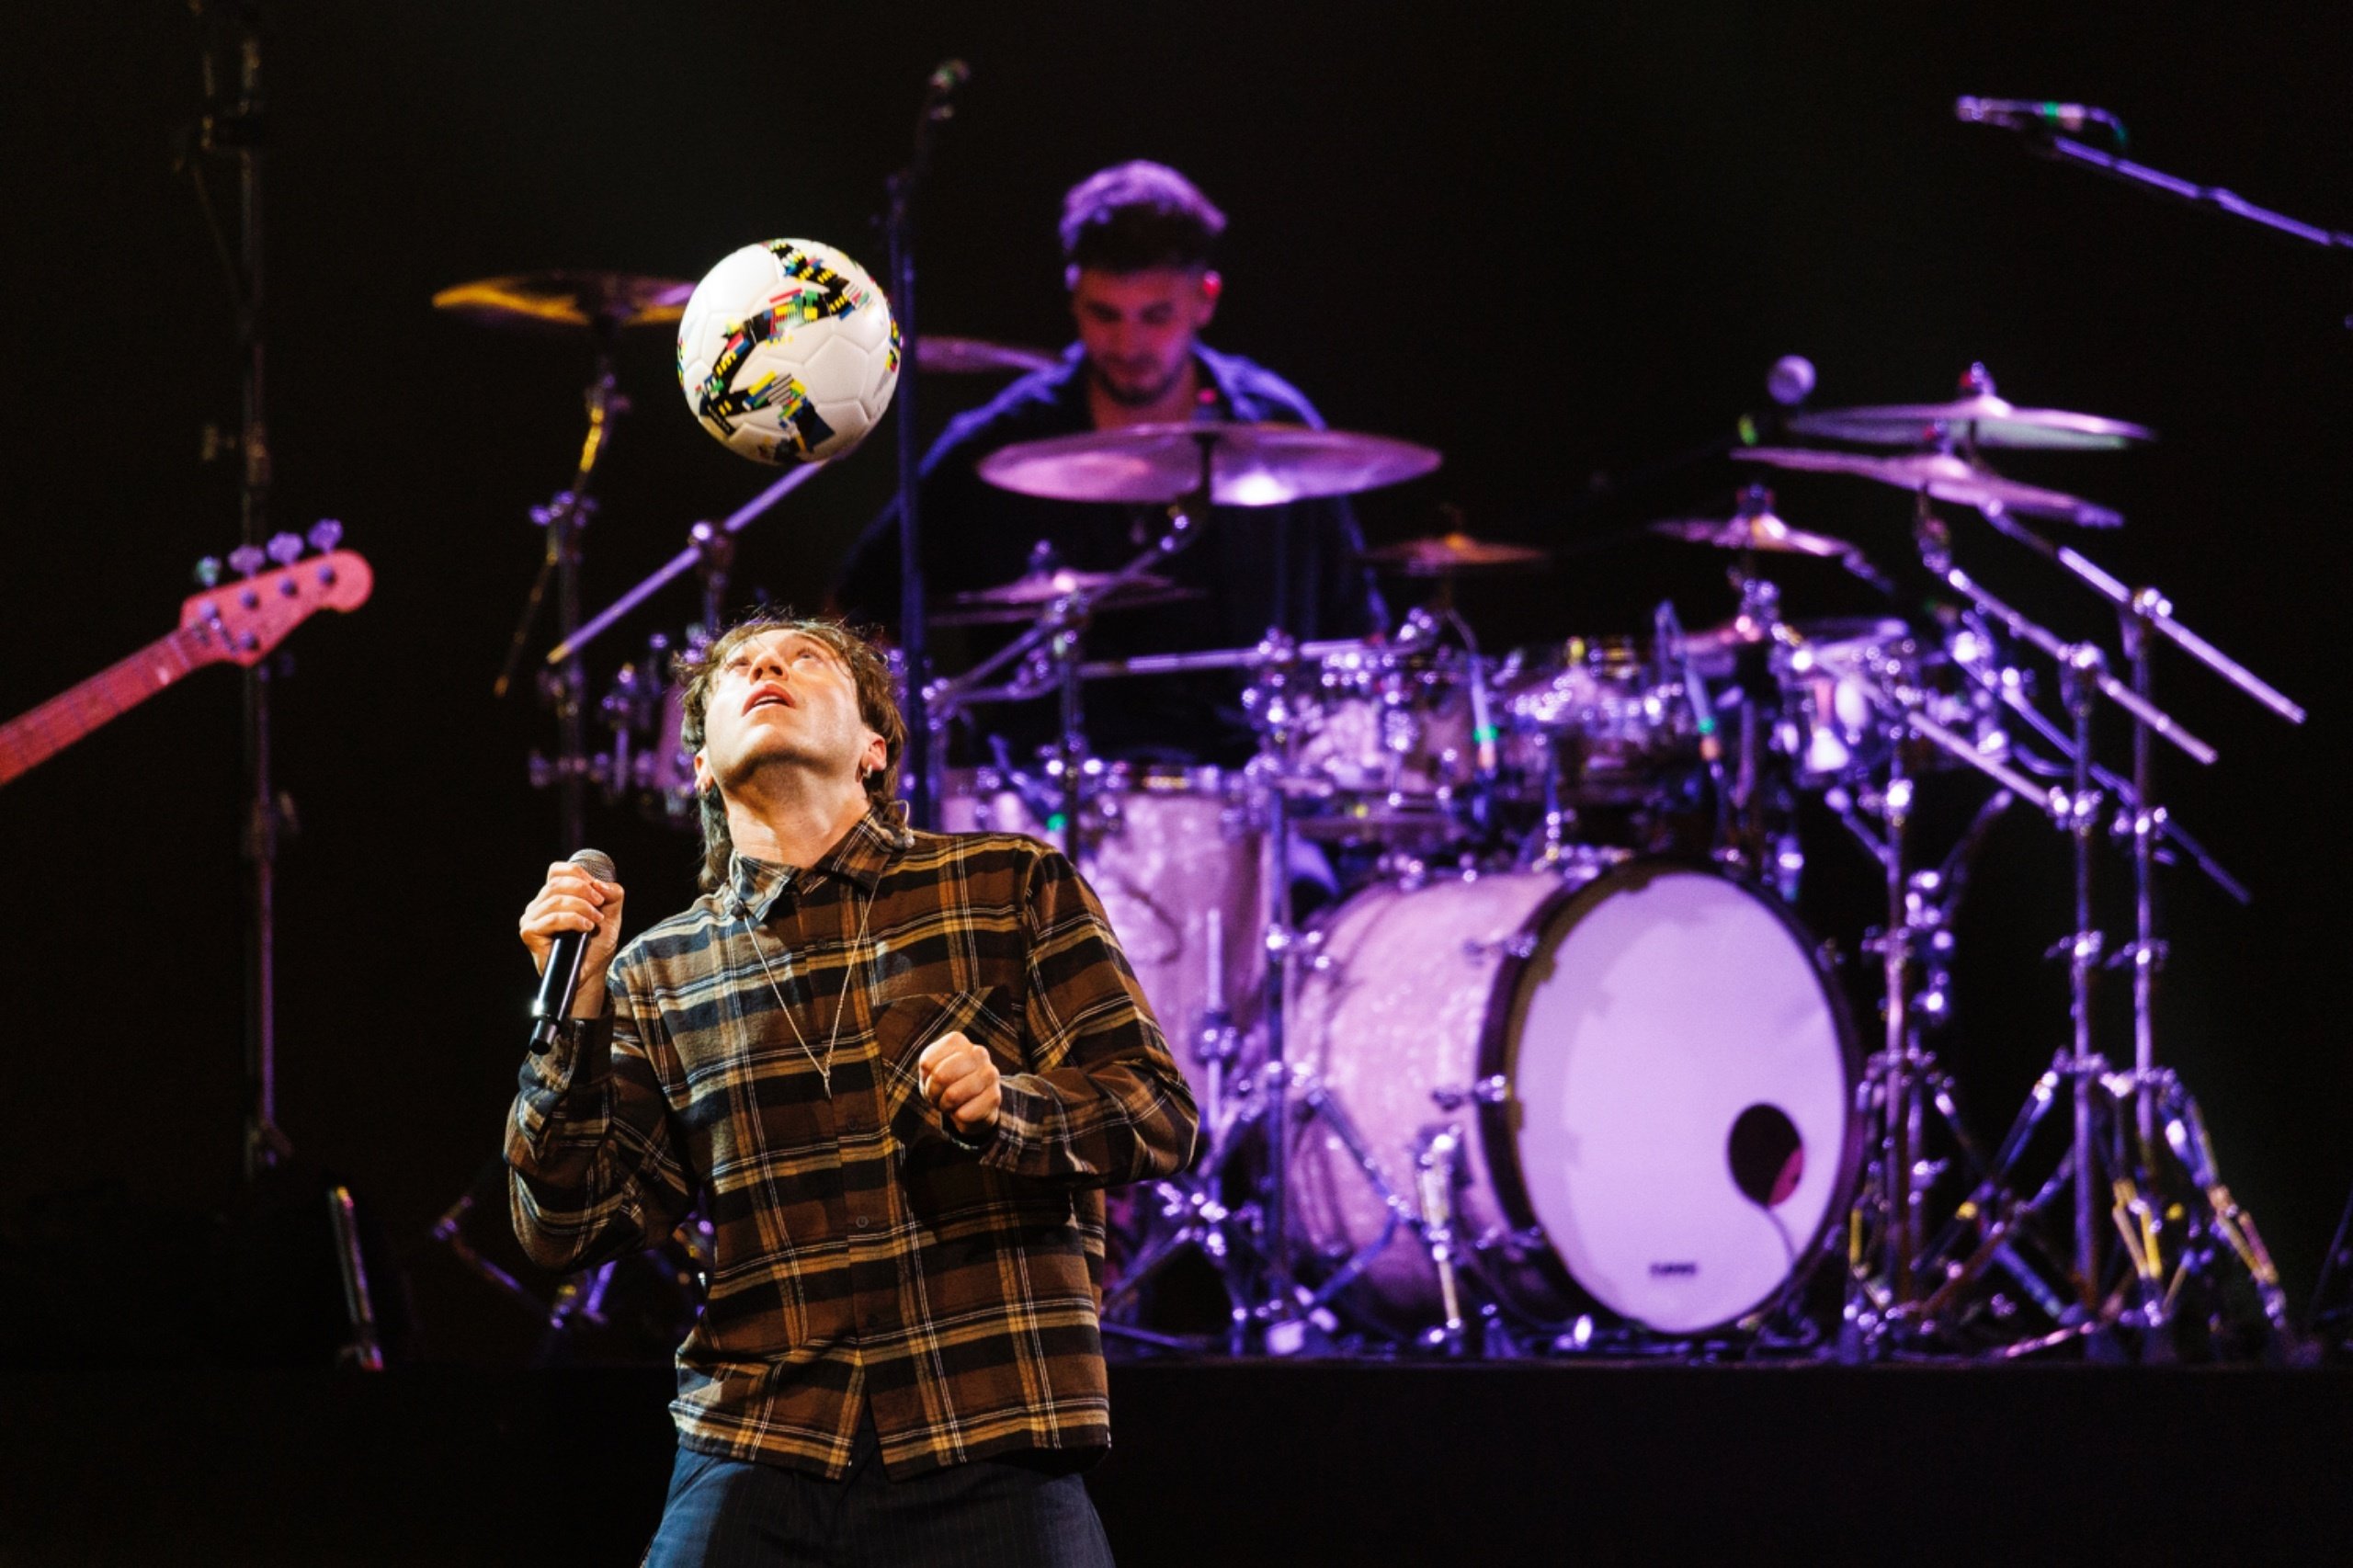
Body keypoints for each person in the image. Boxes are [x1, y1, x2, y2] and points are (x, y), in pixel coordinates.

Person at [509, 612, 1199, 1566]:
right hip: (756, 1442)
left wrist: (1011, 1107)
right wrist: (574, 1023)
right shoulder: (656, 971)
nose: (767, 667)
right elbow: (567, 1225)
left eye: (805, 657)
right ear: (701, 767)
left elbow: (1158, 1110)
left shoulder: (1007, 882)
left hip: (985, 1431)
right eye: (740, 668)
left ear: (873, 748)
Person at [832, 159, 1387, 767]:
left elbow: (1359, 634)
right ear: (1074, 295)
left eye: (1156, 316)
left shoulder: (1277, 428)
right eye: (1105, 314)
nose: (1128, 346)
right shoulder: (999, 441)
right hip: (1046, 798)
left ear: (1205, 300)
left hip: (1252, 791)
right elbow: (859, 610)